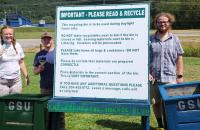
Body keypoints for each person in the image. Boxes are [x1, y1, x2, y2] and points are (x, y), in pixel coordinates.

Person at [149, 12, 184, 130]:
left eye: (165, 22)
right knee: (156, 103)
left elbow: (179, 58)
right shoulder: (150, 39)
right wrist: (148, 73)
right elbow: (145, 58)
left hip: (170, 78)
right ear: (156, 23)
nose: (162, 24)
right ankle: (160, 125)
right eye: (159, 22)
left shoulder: (175, 39)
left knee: (169, 104)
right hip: (153, 79)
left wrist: (179, 75)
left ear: (169, 23)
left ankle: (170, 125)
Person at [33, 32, 66, 130]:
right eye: (44, 39)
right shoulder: (39, 55)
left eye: (49, 39)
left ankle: (61, 128)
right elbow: (34, 71)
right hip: (45, 87)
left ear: (52, 40)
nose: (47, 41)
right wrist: (39, 69)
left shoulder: (60, 52)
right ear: (42, 41)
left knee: (60, 111)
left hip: (59, 87)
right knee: (46, 111)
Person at [0, 25, 29, 97]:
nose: (8, 36)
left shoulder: (17, 45)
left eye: (10, 34)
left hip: (16, 81)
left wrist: (26, 76)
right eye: (6, 34)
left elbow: (21, 62)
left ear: (13, 35)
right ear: (1, 34)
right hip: (2, 82)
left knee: (16, 103)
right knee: (3, 105)